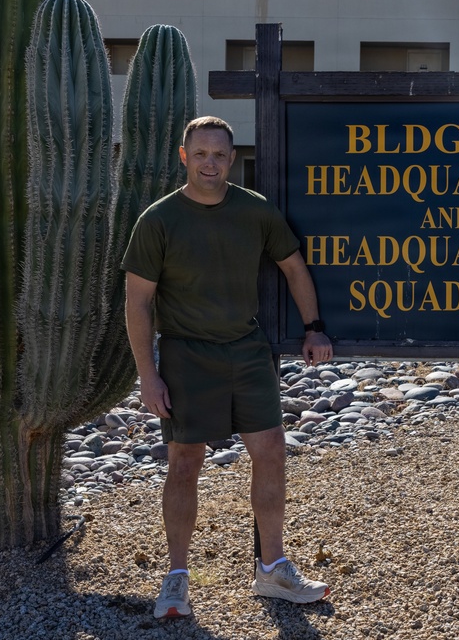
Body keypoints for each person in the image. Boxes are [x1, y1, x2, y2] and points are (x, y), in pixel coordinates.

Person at [122, 116, 333, 619]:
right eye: (200, 154)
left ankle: (272, 568)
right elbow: (137, 302)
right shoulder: (158, 219)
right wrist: (148, 374)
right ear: (184, 157)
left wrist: (314, 327)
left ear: (232, 159)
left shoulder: (254, 210)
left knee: (272, 450)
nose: (210, 164)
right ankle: (176, 577)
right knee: (184, 462)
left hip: (246, 349)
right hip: (186, 355)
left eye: (219, 155)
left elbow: (293, 266)